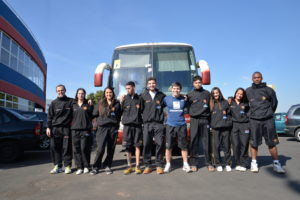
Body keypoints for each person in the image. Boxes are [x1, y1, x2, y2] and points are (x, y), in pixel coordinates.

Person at [246, 72, 285, 173]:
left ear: (262, 78)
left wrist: (268, 113)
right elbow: (245, 105)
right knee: (254, 143)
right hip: (254, 121)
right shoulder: (248, 91)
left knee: (271, 143)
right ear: (252, 79)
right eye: (255, 78)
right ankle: (254, 164)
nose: (257, 79)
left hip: (268, 120)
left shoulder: (269, 90)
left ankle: (276, 164)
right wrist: (250, 114)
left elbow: (274, 103)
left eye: (258, 77)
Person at [90, 87, 121, 175]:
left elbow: (119, 115)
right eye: (107, 92)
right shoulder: (100, 103)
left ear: (112, 93)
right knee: (100, 148)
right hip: (102, 128)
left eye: (110, 92)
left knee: (111, 148)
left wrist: (116, 125)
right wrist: (91, 105)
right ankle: (96, 167)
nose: (108, 94)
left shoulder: (117, 103)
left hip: (113, 128)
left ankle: (107, 165)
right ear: (104, 93)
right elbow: (94, 114)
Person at [186, 76, 214, 172]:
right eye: (196, 82)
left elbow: (211, 106)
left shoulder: (207, 93)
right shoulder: (189, 94)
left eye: (199, 82)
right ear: (193, 84)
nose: (198, 84)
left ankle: (209, 163)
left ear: (202, 83)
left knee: (206, 142)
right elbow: (186, 106)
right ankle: (193, 163)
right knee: (193, 141)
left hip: (205, 120)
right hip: (194, 120)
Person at [163, 82, 191, 173]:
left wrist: (186, 97)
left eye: (178, 88)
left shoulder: (184, 99)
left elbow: (191, 104)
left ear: (180, 90)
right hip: (170, 125)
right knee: (168, 146)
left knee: (184, 146)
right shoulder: (166, 99)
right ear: (171, 89)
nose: (176, 90)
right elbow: (158, 107)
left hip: (181, 125)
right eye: (174, 88)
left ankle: (185, 164)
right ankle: (168, 164)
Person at [140, 77, 166, 174]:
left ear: (156, 84)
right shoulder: (142, 96)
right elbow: (140, 109)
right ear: (147, 85)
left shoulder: (161, 95)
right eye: (150, 83)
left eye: (153, 83)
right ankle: (147, 165)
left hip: (158, 124)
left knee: (159, 144)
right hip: (147, 124)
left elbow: (169, 104)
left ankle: (159, 165)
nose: (152, 85)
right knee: (146, 144)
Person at [47, 84, 73, 174]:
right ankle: (57, 166)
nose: (60, 92)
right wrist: (48, 127)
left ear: (65, 90)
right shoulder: (53, 103)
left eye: (62, 90)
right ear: (56, 92)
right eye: (58, 91)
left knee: (66, 148)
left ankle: (67, 166)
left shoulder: (71, 101)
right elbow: (49, 116)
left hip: (66, 128)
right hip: (55, 129)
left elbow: (80, 103)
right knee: (54, 147)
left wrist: (88, 101)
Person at [121, 81, 143, 175]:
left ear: (134, 87)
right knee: (128, 147)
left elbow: (143, 110)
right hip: (127, 126)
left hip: (137, 126)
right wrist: (121, 101)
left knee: (137, 146)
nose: (127, 90)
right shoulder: (124, 99)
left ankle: (137, 166)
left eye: (129, 88)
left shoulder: (140, 98)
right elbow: (120, 111)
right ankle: (129, 166)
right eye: (126, 88)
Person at [71, 88, 93, 175]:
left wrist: (90, 103)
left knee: (84, 148)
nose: (81, 95)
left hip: (85, 130)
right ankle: (79, 167)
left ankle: (86, 166)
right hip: (75, 130)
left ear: (84, 95)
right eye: (79, 93)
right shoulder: (73, 105)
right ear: (77, 94)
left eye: (82, 93)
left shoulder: (88, 104)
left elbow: (93, 115)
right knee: (76, 149)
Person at [210, 87, 232, 172]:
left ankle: (227, 164)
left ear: (219, 93)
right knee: (216, 147)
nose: (215, 94)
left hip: (225, 128)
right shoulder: (211, 104)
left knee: (227, 146)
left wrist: (228, 122)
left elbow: (230, 114)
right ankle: (218, 164)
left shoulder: (225, 102)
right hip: (215, 129)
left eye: (217, 92)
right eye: (214, 93)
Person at [230, 88, 250, 172]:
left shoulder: (246, 104)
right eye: (238, 93)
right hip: (234, 126)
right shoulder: (230, 102)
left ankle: (244, 163)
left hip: (244, 125)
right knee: (235, 144)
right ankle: (238, 163)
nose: (239, 95)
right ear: (235, 93)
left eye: (241, 94)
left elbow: (249, 114)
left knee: (244, 144)